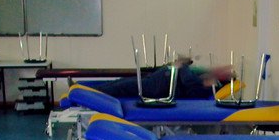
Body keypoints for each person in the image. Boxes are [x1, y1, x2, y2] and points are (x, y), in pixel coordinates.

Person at [94, 60, 233, 99]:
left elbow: (188, 81)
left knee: (120, 87)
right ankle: (91, 91)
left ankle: (92, 94)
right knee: (119, 83)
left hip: (158, 87)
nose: (219, 68)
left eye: (223, 70)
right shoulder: (209, 76)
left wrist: (182, 65)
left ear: (224, 77)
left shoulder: (213, 84)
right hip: (158, 80)